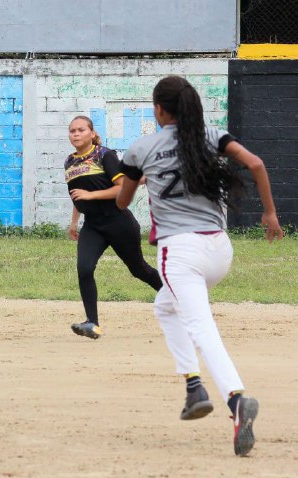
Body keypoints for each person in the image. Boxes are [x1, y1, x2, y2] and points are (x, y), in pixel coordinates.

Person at [117, 75, 283, 456]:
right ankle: (193, 386)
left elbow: (123, 203)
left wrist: (141, 178)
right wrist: (270, 213)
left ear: (158, 110)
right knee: (165, 306)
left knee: (202, 327)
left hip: (180, 254)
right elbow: (256, 163)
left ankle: (236, 400)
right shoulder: (212, 137)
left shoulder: (141, 147)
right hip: (218, 250)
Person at [64, 115, 162, 340]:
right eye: (72, 131)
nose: (76, 134)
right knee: (84, 269)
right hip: (93, 226)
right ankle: (92, 323)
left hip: (118, 222)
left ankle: (175, 299)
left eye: (81, 130)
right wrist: (74, 221)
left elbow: (122, 188)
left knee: (139, 270)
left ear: (91, 133)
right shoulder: (70, 161)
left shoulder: (104, 155)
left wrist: (92, 195)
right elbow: (77, 194)